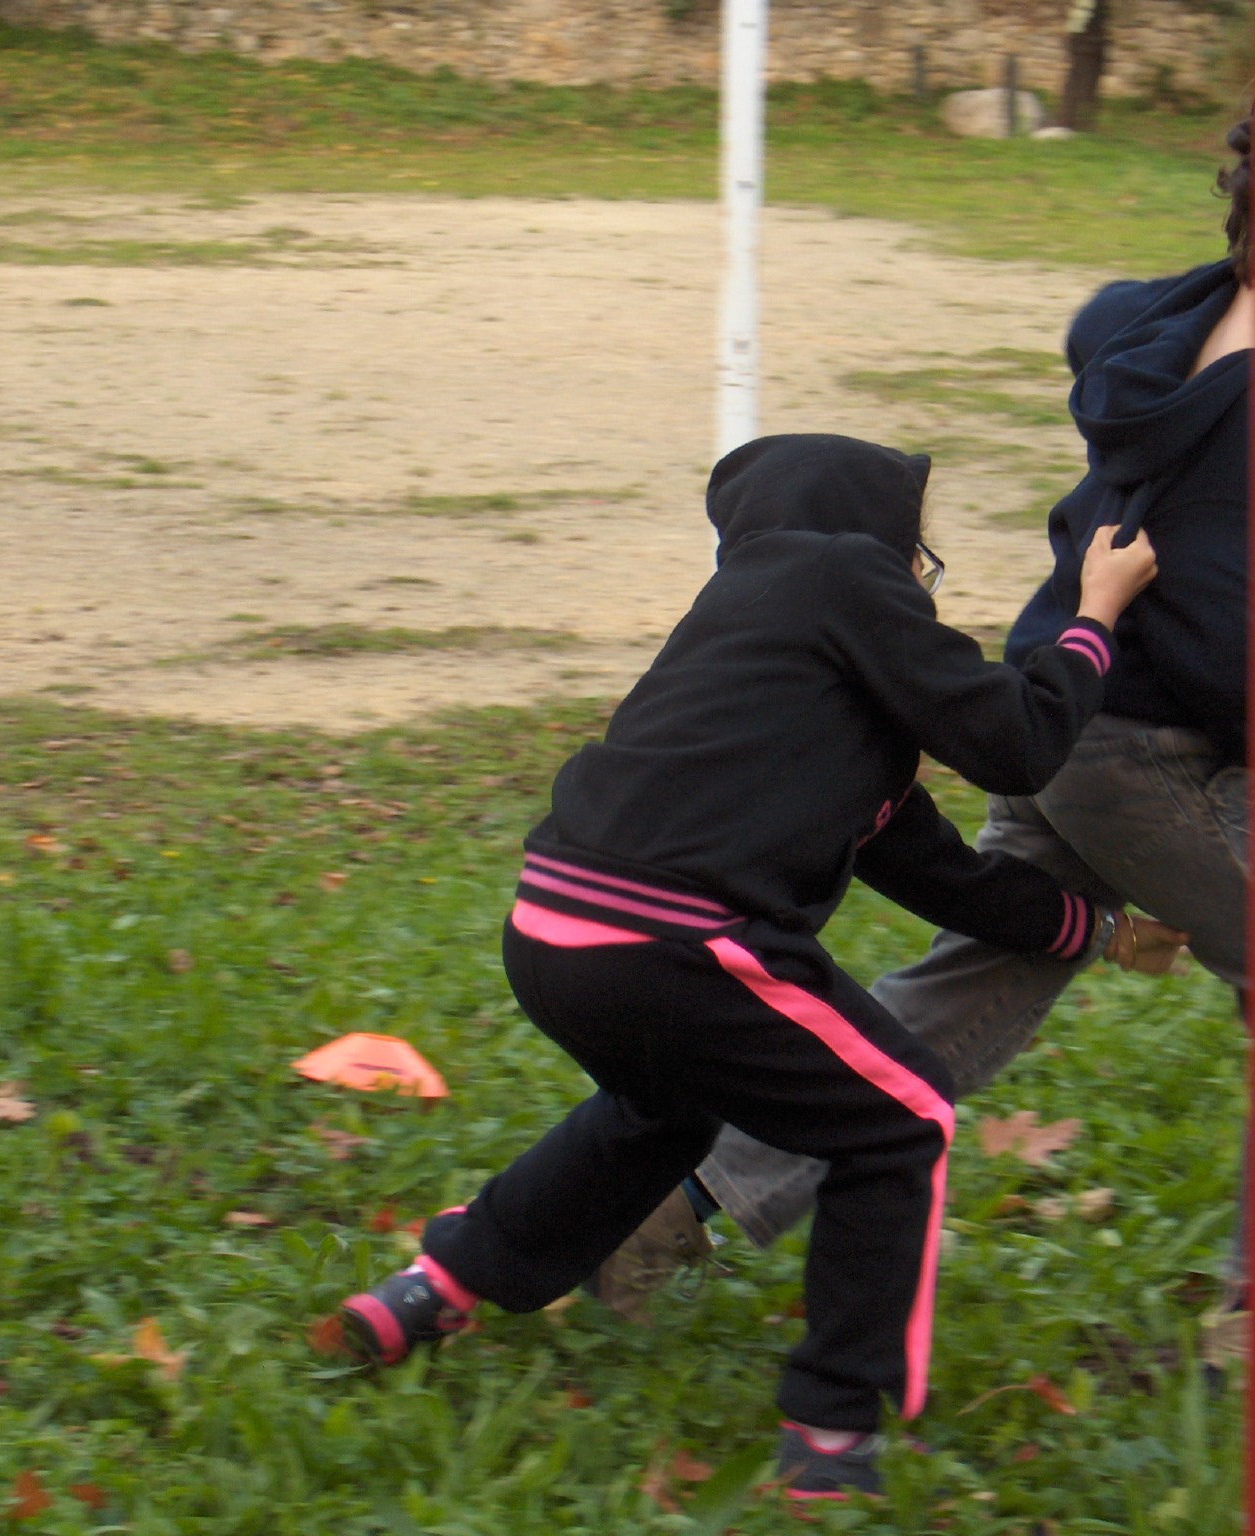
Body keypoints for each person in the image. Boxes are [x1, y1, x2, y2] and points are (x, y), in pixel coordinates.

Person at [597, 49, 1255, 1370]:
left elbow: (1101, 321)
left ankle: (681, 1198)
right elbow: (1251, 681)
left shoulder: (1197, 324)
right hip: (1150, 759)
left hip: (1061, 710)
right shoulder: (1251, 437)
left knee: (988, 976)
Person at [329, 433, 1175, 1500]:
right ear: (865, 534)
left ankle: (433, 1286)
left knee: (659, 1111)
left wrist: (1091, 932)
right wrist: (1092, 616)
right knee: (902, 1116)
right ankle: (830, 1435)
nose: (919, 577)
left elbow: (936, 873)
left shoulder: (783, 670)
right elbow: (1015, 742)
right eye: (918, 550)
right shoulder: (837, 573)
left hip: (552, 928)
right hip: (672, 934)